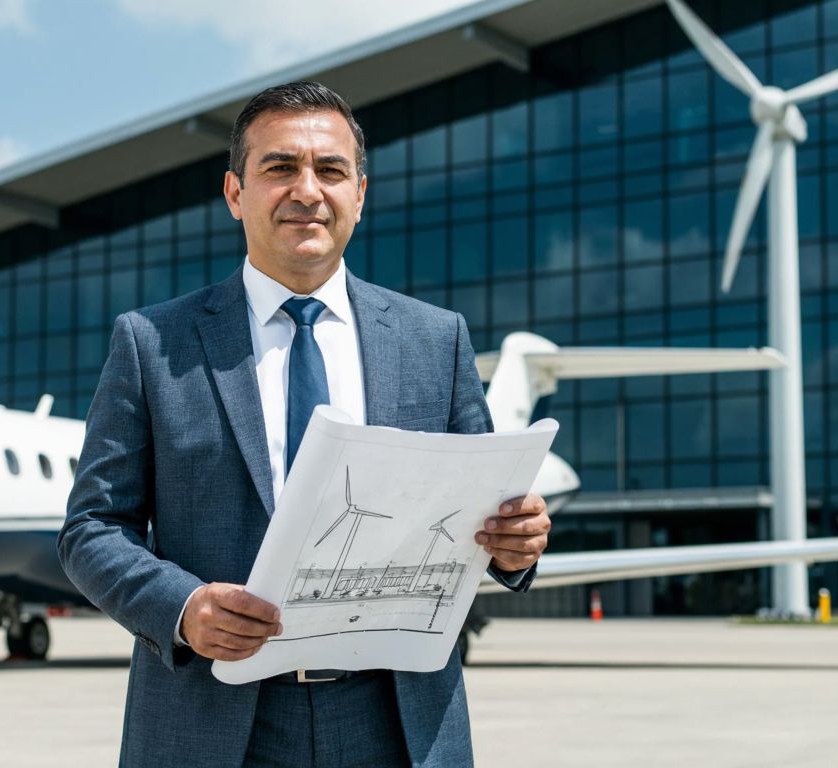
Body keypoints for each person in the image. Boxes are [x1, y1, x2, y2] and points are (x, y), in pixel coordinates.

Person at [60, 81, 552, 768]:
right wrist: (184, 607)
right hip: (214, 719)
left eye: (330, 170)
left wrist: (515, 544)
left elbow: (481, 512)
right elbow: (91, 527)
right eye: (280, 167)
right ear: (235, 193)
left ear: (360, 193)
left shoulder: (436, 341)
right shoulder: (151, 343)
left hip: (397, 722)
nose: (307, 190)